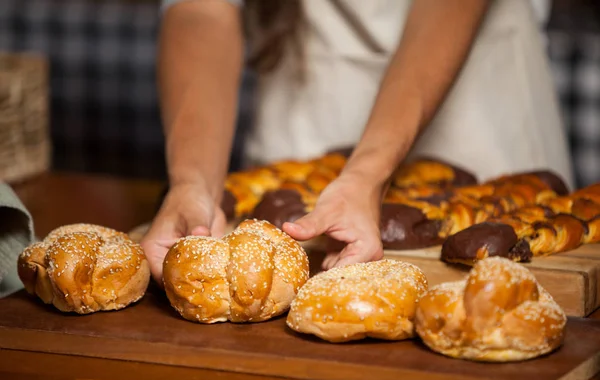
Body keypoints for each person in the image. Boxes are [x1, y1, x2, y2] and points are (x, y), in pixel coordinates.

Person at [141, 0, 574, 284]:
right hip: (308, 93)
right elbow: (202, 10)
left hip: (479, 109)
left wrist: (367, 173)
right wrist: (192, 181)